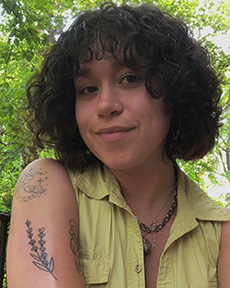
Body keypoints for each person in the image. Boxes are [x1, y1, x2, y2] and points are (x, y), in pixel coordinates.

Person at [6, 2, 230, 288]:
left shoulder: (222, 233)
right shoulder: (45, 185)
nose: (106, 105)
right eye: (88, 89)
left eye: (130, 78)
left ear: (175, 93)